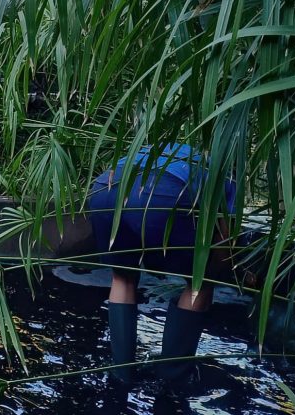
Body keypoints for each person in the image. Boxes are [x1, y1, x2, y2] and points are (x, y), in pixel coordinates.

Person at [87, 143, 236, 385]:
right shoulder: (227, 172)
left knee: (123, 277)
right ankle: (172, 379)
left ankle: (122, 374)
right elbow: (226, 240)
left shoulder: (173, 147)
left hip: (107, 186)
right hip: (164, 190)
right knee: (200, 283)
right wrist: (219, 272)